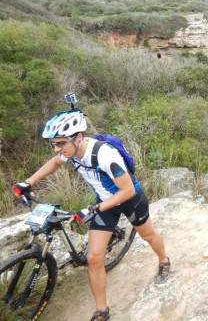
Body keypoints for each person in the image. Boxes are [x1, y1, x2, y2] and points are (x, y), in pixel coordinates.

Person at [12, 109, 170, 321]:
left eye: (61, 144)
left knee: (148, 235)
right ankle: (102, 310)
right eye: (54, 144)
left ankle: (163, 259)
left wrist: (93, 210)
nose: (57, 149)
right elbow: (55, 163)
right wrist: (28, 182)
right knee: (94, 258)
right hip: (105, 204)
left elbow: (128, 191)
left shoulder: (105, 155)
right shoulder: (71, 151)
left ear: (78, 137)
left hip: (130, 200)